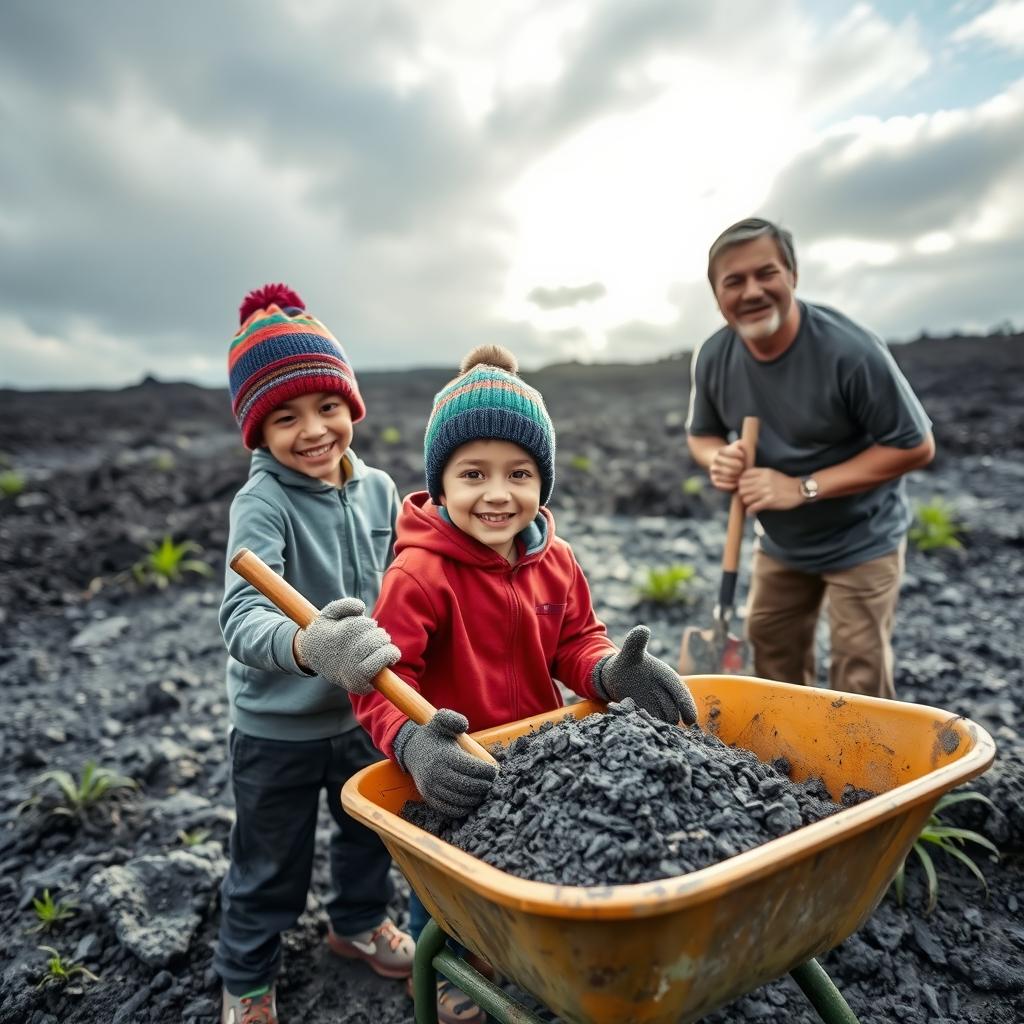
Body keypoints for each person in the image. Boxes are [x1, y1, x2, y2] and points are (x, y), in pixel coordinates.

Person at [352, 344, 698, 1024]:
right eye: (473, 473)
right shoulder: (418, 574)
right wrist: (416, 745)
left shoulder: (555, 560)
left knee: (525, 866)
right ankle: (444, 957)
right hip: (448, 763)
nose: (498, 494)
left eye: (519, 473)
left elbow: (576, 641)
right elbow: (377, 684)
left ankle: (523, 950)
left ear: (543, 481)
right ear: (441, 482)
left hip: (537, 755)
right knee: (447, 878)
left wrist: (607, 671)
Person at [215, 283, 414, 1024]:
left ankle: (356, 924)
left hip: (365, 713)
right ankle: (246, 976)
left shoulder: (380, 490)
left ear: (351, 406)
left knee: (369, 834)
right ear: (257, 432)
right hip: (279, 729)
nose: (313, 431)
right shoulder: (260, 505)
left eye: (327, 407)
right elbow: (240, 617)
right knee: (269, 863)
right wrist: (305, 644)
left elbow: (412, 578)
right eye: (284, 417)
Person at [686, 218, 935, 699]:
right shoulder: (714, 356)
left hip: (862, 538)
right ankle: (794, 768)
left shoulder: (850, 351)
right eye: (733, 281)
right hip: (782, 545)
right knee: (772, 656)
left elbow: (915, 445)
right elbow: (703, 435)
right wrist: (719, 459)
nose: (752, 291)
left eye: (767, 274)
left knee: (859, 676)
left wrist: (802, 488)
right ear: (717, 296)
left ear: (793, 276)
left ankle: (868, 773)